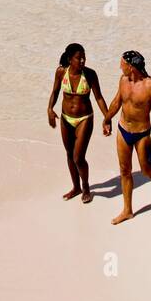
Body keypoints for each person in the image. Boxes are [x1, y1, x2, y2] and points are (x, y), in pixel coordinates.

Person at [103, 51, 151, 224]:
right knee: (125, 170)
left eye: (122, 63)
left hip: (142, 134)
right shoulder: (123, 80)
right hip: (123, 130)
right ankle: (127, 210)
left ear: (131, 66)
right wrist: (107, 118)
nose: (119, 67)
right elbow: (117, 101)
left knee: (146, 169)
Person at [47, 44, 109, 203]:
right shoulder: (61, 72)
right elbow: (55, 92)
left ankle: (86, 186)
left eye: (84, 57)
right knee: (69, 154)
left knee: (78, 157)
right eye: (78, 58)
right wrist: (49, 109)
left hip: (84, 118)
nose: (82, 61)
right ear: (70, 59)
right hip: (66, 118)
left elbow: (99, 98)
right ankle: (76, 187)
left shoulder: (89, 74)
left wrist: (107, 118)